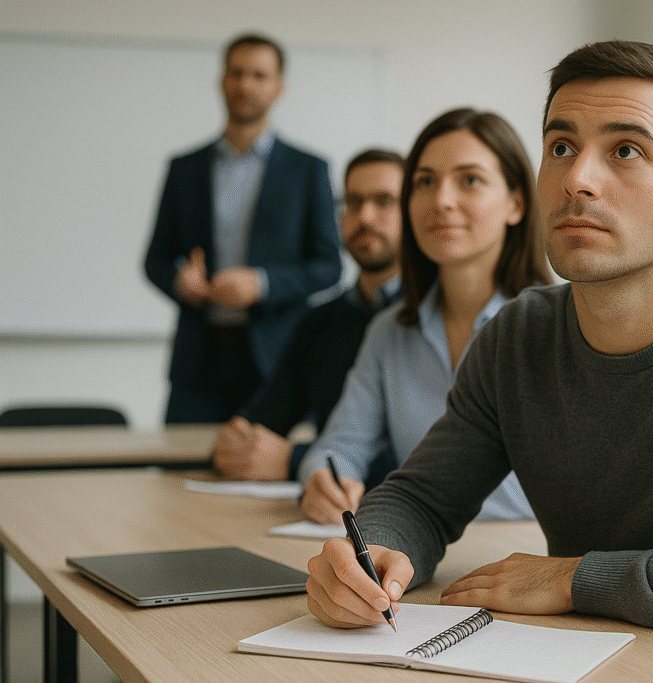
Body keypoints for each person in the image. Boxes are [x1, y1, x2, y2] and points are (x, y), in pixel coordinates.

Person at [305, 41, 653, 645]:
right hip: (581, 657)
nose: (577, 179)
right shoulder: (517, 335)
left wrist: (577, 579)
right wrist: (369, 556)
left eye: (625, 150)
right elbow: (422, 497)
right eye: (561, 147)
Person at [298, 107, 551, 522]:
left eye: (470, 180)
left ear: (517, 204)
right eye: (425, 182)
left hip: (529, 564)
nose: (441, 201)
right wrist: (325, 481)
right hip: (418, 554)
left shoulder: (563, 329)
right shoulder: (389, 331)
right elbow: (339, 446)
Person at [144, 33, 341, 424]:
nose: (246, 85)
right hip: (198, 362)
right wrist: (180, 282)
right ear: (222, 81)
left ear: (278, 87)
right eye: (236, 73)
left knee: (274, 477)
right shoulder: (185, 168)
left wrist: (263, 284)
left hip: (276, 360)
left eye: (259, 75)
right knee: (177, 474)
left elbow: (329, 266)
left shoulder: (307, 169)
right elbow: (155, 259)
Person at [211, 149, 405, 482]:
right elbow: (263, 421)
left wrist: (294, 459)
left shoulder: (433, 320)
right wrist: (236, 442)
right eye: (353, 203)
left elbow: (423, 464)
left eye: (384, 201)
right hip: (327, 511)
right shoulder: (322, 322)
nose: (366, 217)